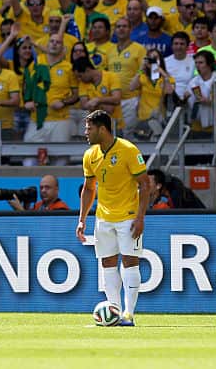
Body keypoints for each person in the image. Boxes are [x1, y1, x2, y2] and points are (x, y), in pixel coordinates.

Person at [77, 109, 150, 327]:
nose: (85, 133)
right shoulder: (90, 155)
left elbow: (145, 184)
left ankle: (129, 313)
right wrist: (82, 219)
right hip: (103, 218)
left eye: (89, 128)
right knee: (107, 263)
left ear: (102, 129)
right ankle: (114, 311)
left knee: (129, 261)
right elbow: (89, 189)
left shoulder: (128, 150)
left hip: (128, 217)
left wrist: (140, 217)